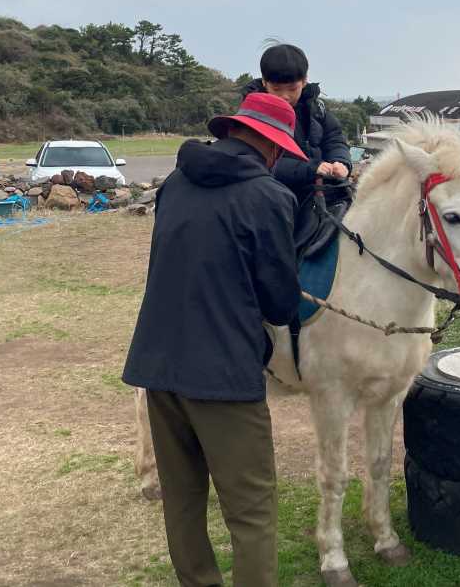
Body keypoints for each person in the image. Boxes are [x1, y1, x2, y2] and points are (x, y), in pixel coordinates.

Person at [121, 92, 305, 587]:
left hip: (158, 367)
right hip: (223, 375)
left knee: (182, 502)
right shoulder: (270, 197)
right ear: (271, 146)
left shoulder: (175, 183)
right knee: (251, 512)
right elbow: (281, 305)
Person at [243, 43, 353, 247]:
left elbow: (334, 138)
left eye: (293, 88)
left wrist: (341, 162)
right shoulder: (252, 116)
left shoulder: (317, 109)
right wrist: (311, 168)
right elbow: (258, 162)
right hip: (274, 197)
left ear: (304, 81)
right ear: (265, 83)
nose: (285, 96)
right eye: (276, 89)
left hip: (318, 192)